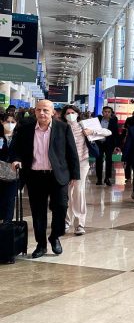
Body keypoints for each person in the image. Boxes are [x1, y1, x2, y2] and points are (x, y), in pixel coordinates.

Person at [10, 100, 80, 258]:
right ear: (35, 111)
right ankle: (41, 244)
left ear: (53, 112)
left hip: (57, 175)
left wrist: (75, 175)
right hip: (35, 176)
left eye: (45, 110)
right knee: (38, 211)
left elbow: (72, 152)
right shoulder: (25, 128)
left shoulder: (63, 128)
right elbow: (15, 148)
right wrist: (16, 159)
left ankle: (55, 236)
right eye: (39, 110)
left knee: (61, 207)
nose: (42, 113)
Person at [63, 105, 105, 236]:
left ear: (77, 114)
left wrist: (92, 132)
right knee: (66, 193)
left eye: (73, 112)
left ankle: (79, 223)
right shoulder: (61, 127)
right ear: (64, 115)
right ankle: (66, 221)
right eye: (67, 113)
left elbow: (107, 132)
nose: (70, 115)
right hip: (65, 164)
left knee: (79, 191)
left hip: (82, 162)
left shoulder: (83, 125)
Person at [0, 113, 18, 224]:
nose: (10, 124)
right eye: (7, 122)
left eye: (13, 122)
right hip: (0, 173)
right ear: (2, 122)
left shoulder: (19, 137)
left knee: (10, 200)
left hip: (13, 175)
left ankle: (7, 224)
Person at [96, 106, 119, 186]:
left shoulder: (113, 122)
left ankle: (107, 178)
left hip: (109, 144)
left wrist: (116, 146)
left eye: (109, 112)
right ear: (102, 112)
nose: (107, 113)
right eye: (105, 111)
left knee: (109, 161)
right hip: (99, 143)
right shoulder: (98, 120)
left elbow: (116, 134)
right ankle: (99, 179)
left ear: (111, 113)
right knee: (99, 161)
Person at [122, 111, 134, 182]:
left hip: (129, 139)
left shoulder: (128, 119)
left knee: (128, 162)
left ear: (132, 114)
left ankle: (128, 177)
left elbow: (125, 126)